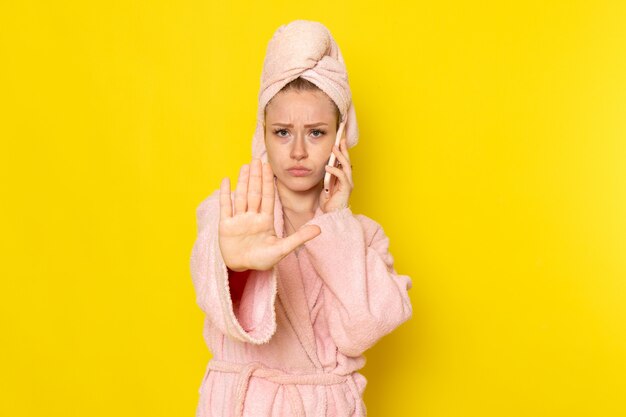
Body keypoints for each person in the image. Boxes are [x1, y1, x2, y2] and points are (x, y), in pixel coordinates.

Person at [190, 20, 413, 417]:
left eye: (315, 133)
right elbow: (211, 293)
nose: (296, 151)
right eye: (281, 132)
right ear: (262, 133)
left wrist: (337, 223)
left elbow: (359, 332)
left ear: (339, 139)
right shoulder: (231, 214)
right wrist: (234, 265)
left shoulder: (363, 236)